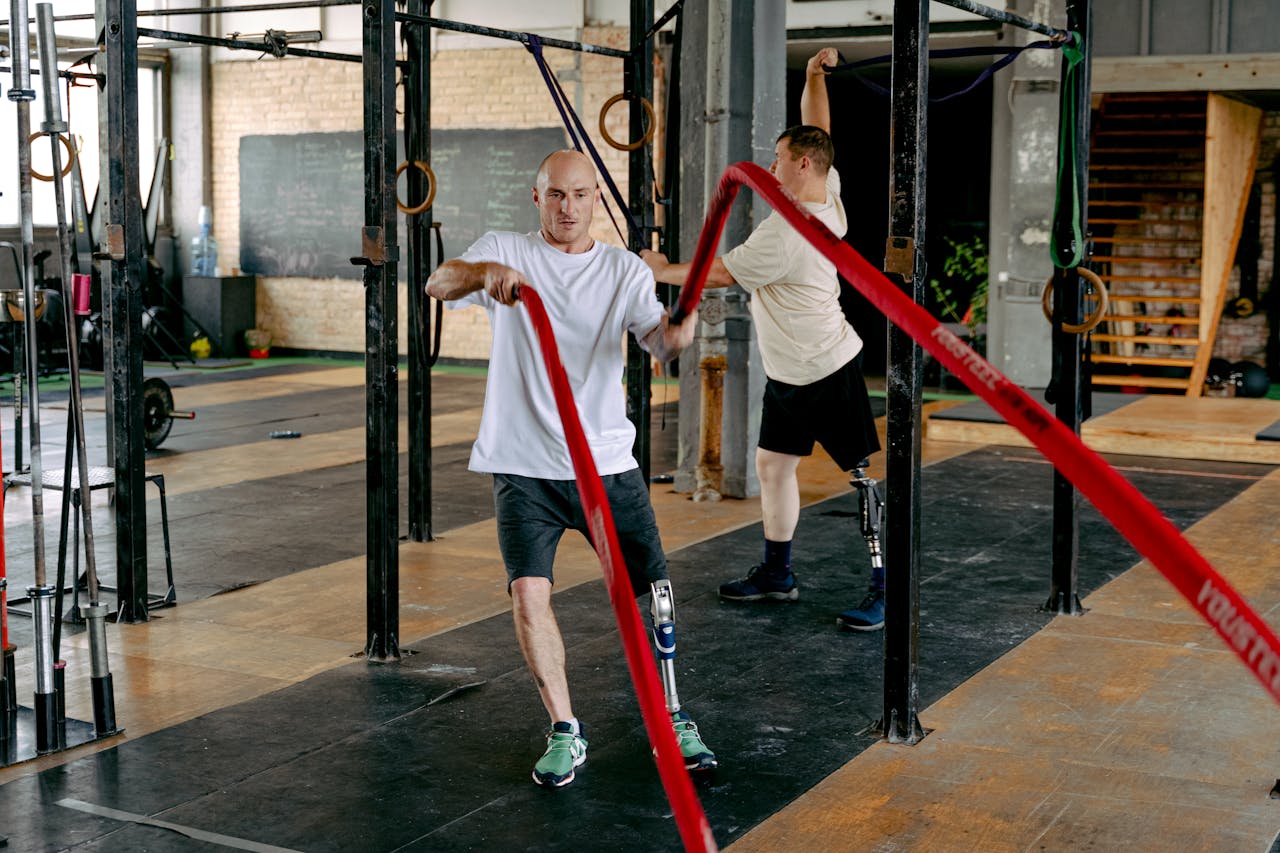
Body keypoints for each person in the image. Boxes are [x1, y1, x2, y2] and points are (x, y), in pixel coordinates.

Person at [426, 149, 715, 789]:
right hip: (524, 466)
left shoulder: (621, 271)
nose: (568, 207)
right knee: (529, 595)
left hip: (605, 464)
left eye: (581, 195)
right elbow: (437, 282)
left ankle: (672, 714)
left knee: (654, 597)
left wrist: (679, 334)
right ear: (538, 198)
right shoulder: (508, 250)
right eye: (556, 195)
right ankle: (564, 728)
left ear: (594, 202)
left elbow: (657, 343)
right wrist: (484, 273)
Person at [641, 48, 885, 632]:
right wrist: (811, 78)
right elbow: (818, 130)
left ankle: (885, 586)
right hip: (788, 373)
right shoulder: (826, 189)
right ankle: (778, 573)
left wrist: (658, 267)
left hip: (826, 367)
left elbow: (718, 272)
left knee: (864, 478)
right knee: (774, 466)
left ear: (802, 166)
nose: (770, 167)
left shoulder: (787, 231)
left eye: (778, 160)